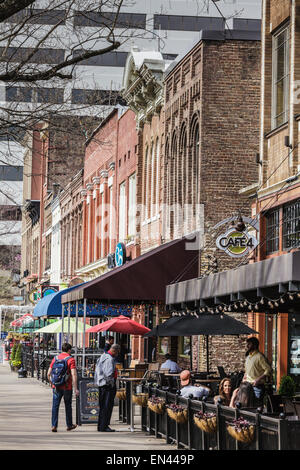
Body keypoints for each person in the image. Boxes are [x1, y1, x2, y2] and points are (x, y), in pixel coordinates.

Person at [47, 343, 79, 433]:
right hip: (67, 386)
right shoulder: (70, 359)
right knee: (68, 405)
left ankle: (54, 425)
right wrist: (75, 388)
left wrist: (52, 383)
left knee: (55, 406)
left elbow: (48, 373)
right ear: (69, 350)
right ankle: (69, 425)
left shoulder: (55, 358)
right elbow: (73, 374)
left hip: (56, 386)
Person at [94, 343, 120, 432]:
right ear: (115, 351)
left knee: (103, 406)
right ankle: (104, 426)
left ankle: (101, 425)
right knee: (106, 406)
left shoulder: (103, 356)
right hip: (107, 386)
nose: (117, 354)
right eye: (117, 352)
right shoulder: (109, 359)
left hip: (102, 384)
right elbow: (108, 374)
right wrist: (111, 384)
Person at [243, 337, 271, 404]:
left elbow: (268, 369)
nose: (247, 346)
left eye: (249, 344)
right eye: (247, 344)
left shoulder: (260, 356)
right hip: (247, 386)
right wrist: (243, 380)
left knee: (256, 406)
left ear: (255, 345)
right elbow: (246, 371)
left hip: (257, 387)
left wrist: (258, 379)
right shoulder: (248, 357)